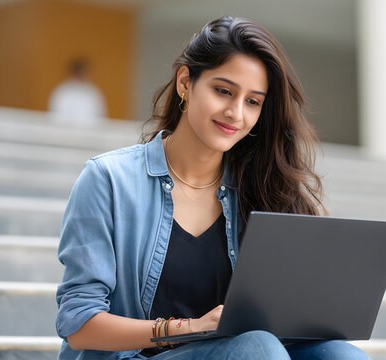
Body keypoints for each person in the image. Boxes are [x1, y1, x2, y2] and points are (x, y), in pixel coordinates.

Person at [55, 16, 369, 360]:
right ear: (186, 83)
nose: (236, 113)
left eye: (253, 101)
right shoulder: (109, 179)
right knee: (258, 349)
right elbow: (78, 324)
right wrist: (186, 328)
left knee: (341, 355)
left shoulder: (262, 188)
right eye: (223, 91)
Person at [48, 58, 107, 127]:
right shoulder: (63, 92)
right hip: (67, 134)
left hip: (90, 134)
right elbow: (57, 118)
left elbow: (101, 116)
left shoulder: (94, 92)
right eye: (82, 72)